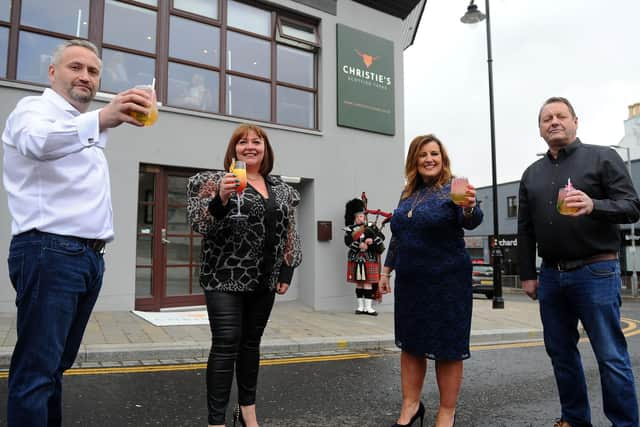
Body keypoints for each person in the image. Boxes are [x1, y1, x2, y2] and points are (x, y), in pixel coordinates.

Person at [2, 39, 154, 426]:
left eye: (93, 71)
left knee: (54, 367)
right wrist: (102, 118)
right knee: (37, 370)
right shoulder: (32, 110)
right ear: (53, 72)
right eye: (75, 67)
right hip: (50, 252)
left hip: (86, 258)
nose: (85, 76)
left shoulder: (80, 126)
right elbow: (38, 143)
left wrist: (103, 121)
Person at [518, 97, 640, 427]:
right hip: (551, 277)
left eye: (560, 116)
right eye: (546, 119)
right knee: (561, 354)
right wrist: (527, 273)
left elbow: (631, 206)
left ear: (575, 121)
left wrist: (594, 204)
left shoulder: (603, 157)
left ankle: (625, 424)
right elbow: (525, 228)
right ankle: (574, 420)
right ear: (540, 129)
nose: (553, 122)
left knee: (611, 356)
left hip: (596, 270)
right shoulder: (531, 174)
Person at [186, 123, 302, 427]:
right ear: (233, 149)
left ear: (266, 148)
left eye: (256, 141)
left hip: (264, 279)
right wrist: (220, 201)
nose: (250, 147)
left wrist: (286, 268)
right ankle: (216, 421)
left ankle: (247, 411)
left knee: (251, 344)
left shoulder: (281, 188)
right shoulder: (213, 181)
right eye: (242, 142)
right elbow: (199, 224)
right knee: (226, 343)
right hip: (223, 277)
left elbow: (289, 231)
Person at [379, 134, 483, 427]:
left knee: (448, 349)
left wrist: (468, 207)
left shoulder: (455, 187)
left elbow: (471, 219)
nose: (429, 159)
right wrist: (387, 272)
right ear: (414, 160)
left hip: (448, 282)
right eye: (422, 154)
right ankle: (410, 407)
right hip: (411, 282)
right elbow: (398, 236)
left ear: (443, 157)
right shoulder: (407, 194)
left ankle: (446, 413)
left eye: (434, 153)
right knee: (411, 345)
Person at [344, 195, 387, 315]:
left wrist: (371, 242)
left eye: (361, 216)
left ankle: (369, 308)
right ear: (354, 218)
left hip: (369, 258)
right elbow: (347, 242)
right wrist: (359, 245)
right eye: (357, 217)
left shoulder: (371, 227)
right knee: (359, 283)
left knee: (368, 283)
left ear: (365, 216)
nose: (359, 218)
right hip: (356, 258)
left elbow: (381, 238)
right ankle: (360, 307)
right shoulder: (350, 230)